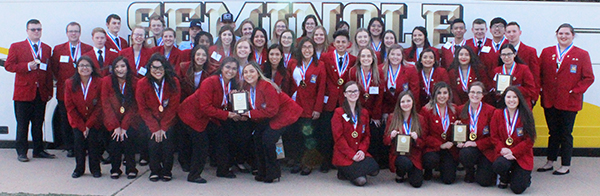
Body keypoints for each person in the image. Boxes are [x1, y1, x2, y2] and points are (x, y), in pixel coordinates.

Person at [537, 23, 595, 175]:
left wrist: (574, 91)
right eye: (560, 33)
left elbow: (588, 78)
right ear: (556, 34)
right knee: (553, 132)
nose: (563, 36)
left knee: (565, 134)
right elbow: (539, 73)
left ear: (573, 35)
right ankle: (550, 161)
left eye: (567, 34)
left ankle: (565, 165)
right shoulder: (547, 52)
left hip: (569, 101)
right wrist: (541, 89)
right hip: (550, 100)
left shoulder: (582, 54)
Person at [240, 62, 302, 183]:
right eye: (245, 72)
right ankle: (262, 170)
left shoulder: (266, 86)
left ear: (258, 73)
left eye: (251, 71)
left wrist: (250, 114)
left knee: (268, 139)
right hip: (271, 114)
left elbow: (272, 110)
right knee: (257, 136)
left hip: (284, 114)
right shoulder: (248, 88)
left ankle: (273, 173)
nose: (248, 74)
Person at [5, 19, 55, 162]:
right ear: (27, 31)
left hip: (40, 93)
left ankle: (38, 150)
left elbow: (49, 71)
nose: (36, 32)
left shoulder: (46, 48)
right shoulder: (17, 46)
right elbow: (9, 66)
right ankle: (22, 152)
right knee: (22, 124)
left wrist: (49, 91)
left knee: (38, 123)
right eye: (33, 29)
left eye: (38, 29)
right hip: (23, 93)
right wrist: (27, 66)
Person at [135, 53, 181, 182]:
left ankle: (167, 171)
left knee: (168, 143)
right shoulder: (142, 83)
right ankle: (154, 170)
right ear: (149, 69)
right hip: (150, 120)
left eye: (160, 68)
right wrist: (155, 128)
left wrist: (164, 127)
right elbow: (142, 108)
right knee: (153, 143)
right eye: (154, 68)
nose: (157, 71)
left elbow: (173, 107)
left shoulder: (173, 82)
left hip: (168, 119)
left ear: (165, 68)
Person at [51, 22, 94, 157]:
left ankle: (85, 146)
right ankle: (70, 147)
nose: (73, 34)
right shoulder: (58, 49)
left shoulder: (88, 49)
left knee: (84, 119)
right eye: (71, 31)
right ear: (67, 33)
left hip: (83, 91)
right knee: (66, 120)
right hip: (64, 91)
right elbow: (54, 69)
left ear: (80, 33)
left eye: (76, 31)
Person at [196, 57, 242, 178]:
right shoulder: (210, 81)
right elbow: (205, 107)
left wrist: (233, 104)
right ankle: (194, 174)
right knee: (205, 143)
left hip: (212, 116)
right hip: (195, 116)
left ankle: (223, 168)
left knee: (228, 135)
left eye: (234, 68)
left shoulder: (232, 84)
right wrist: (228, 115)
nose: (230, 71)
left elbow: (223, 105)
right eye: (227, 67)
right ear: (221, 68)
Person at [286, 38, 326, 175]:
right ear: (300, 49)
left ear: (314, 49)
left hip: (310, 107)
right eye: (304, 47)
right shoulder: (292, 63)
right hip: (295, 105)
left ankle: (308, 164)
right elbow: (289, 84)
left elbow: (321, 89)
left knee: (309, 137)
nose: (307, 50)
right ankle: (298, 162)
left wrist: (318, 109)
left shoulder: (319, 65)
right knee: (296, 136)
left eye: (310, 47)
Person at [318, 30, 356, 173]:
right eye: (338, 42)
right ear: (334, 44)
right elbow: (322, 79)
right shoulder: (325, 57)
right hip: (329, 100)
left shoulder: (352, 59)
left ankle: (339, 160)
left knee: (341, 133)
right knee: (326, 132)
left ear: (348, 44)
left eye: (343, 42)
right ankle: (326, 160)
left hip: (344, 101)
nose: (341, 44)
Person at [332, 81, 379, 186]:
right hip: (344, 154)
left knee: (375, 170)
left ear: (359, 93)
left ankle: (351, 171)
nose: (353, 94)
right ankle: (344, 171)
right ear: (344, 94)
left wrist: (362, 151)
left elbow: (367, 135)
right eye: (350, 91)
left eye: (355, 91)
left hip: (359, 152)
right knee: (361, 181)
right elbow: (338, 138)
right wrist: (352, 155)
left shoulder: (364, 113)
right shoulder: (338, 112)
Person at [491, 86, 536, 194]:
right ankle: (504, 177)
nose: (511, 100)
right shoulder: (497, 114)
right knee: (499, 165)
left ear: (519, 99)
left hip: (521, 155)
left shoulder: (526, 115)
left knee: (518, 189)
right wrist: (502, 149)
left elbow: (529, 140)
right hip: (504, 153)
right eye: (508, 97)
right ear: (504, 98)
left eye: (515, 97)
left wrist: (513, 151)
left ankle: (523, 176)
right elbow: (494, 136)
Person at [101, 56, 139, 179]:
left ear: (127, 68)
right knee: (115, 141)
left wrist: (124, 125)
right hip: (113, 119)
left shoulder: (135, 81)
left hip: (130, 119)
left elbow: (134, 105)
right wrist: (116, 126)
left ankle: (131, 168)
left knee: (129, 140)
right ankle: (115, 168)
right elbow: (106, 104)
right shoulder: (106, 81)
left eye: (123, 66)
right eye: (117, 66)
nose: (120, 69)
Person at [64, 56, 103, 178]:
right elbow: (70, 106)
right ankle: (79, 169)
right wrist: (81, 126)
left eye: (87, 65)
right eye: (81, 65)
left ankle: (95, 169)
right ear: (77, 68)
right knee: (79, 144)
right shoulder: (69, 83)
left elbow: (100, 106)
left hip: (94, 120)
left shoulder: (99, 82)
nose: (84, 68)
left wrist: (88, 125)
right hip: (77, 121)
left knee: (93, 144)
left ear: (92, 68)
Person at [348, 48, 385, 168]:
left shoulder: (379, 72)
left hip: (373, 111)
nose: (366, 59)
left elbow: (379, 97)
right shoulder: (353, 72)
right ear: (359, 58)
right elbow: (350, 93)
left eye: (369, 56)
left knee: (374, 133)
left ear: (373, 58)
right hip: (357, 110)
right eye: (363, 56)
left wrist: (376, 116)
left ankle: (372, 161)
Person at [455, 82, 496, 186]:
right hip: (469, 149)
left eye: (478, 92)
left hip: (486, 148)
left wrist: (477, 143)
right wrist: (458, 139)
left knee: (485, 182)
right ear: (468, 94)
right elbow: (456, 131)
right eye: (472, 92)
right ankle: (470, 170)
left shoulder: (491, 111)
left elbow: (494, 137)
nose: (475, 95)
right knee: (465, 154)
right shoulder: (460, 109)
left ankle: (484, 168)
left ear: (483, 95)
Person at [383, 90, 425, 188]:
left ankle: (411, 172)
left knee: (417, 183)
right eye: (403, 101)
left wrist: (416, 139)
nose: (405, 104)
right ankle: (400, 173)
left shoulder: (420, 119)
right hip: (398, 155)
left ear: (413, 102)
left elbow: (423, 143)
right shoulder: (392, 118)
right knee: (404, 163)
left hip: (413, 155)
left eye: (408, 101)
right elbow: (385, 141)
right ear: (399, 104)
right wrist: (391, 136)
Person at [420, 82, 458, 184]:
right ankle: (428, 169)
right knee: (431, 159)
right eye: (439, 93)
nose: (442, 96)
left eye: (445, 93)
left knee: (449, 180)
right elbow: (424, 135)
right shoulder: (426, 110)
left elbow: (456, 132)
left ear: (449, 95)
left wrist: (458, 127)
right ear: (434, 95)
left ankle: (443, 167)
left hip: (448, 149)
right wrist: (440, 145)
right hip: (432, 147)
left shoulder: (454, 109)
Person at [504, 22, 540, 105]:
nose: (511, 34)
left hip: (524, 96)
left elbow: (536, 75)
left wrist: (534, 96)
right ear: (505, 34)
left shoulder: (530, 51)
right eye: (509, 32)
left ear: (520, 32)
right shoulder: (501, 51)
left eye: (514, 31)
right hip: (506, 97)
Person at [380, 45, 419, 120]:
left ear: (402, 56)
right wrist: (384, 112)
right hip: (387, 112)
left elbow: (415, 93)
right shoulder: (380, 69)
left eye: (398, 54)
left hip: (406, 109)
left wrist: (409, 111)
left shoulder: (410, 69)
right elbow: (380, 95)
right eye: (392, 54)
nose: (395, 57)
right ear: (388, 56)